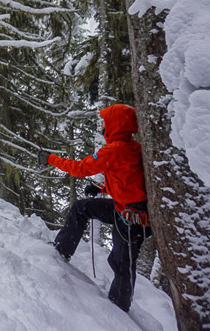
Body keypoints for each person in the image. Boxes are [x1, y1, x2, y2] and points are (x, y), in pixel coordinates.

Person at [37, 104, 150, 312]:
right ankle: (62, 250)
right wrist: (103, 188)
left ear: (115, 125)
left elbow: (80, 169)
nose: (102, 126)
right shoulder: (134, 147)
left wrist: (50, 159)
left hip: (132, 218)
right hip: (124, 209)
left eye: (105, 122)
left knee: (122, 263)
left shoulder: (114, 150)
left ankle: (118, 310)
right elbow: (129, 181)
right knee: (83, 207)